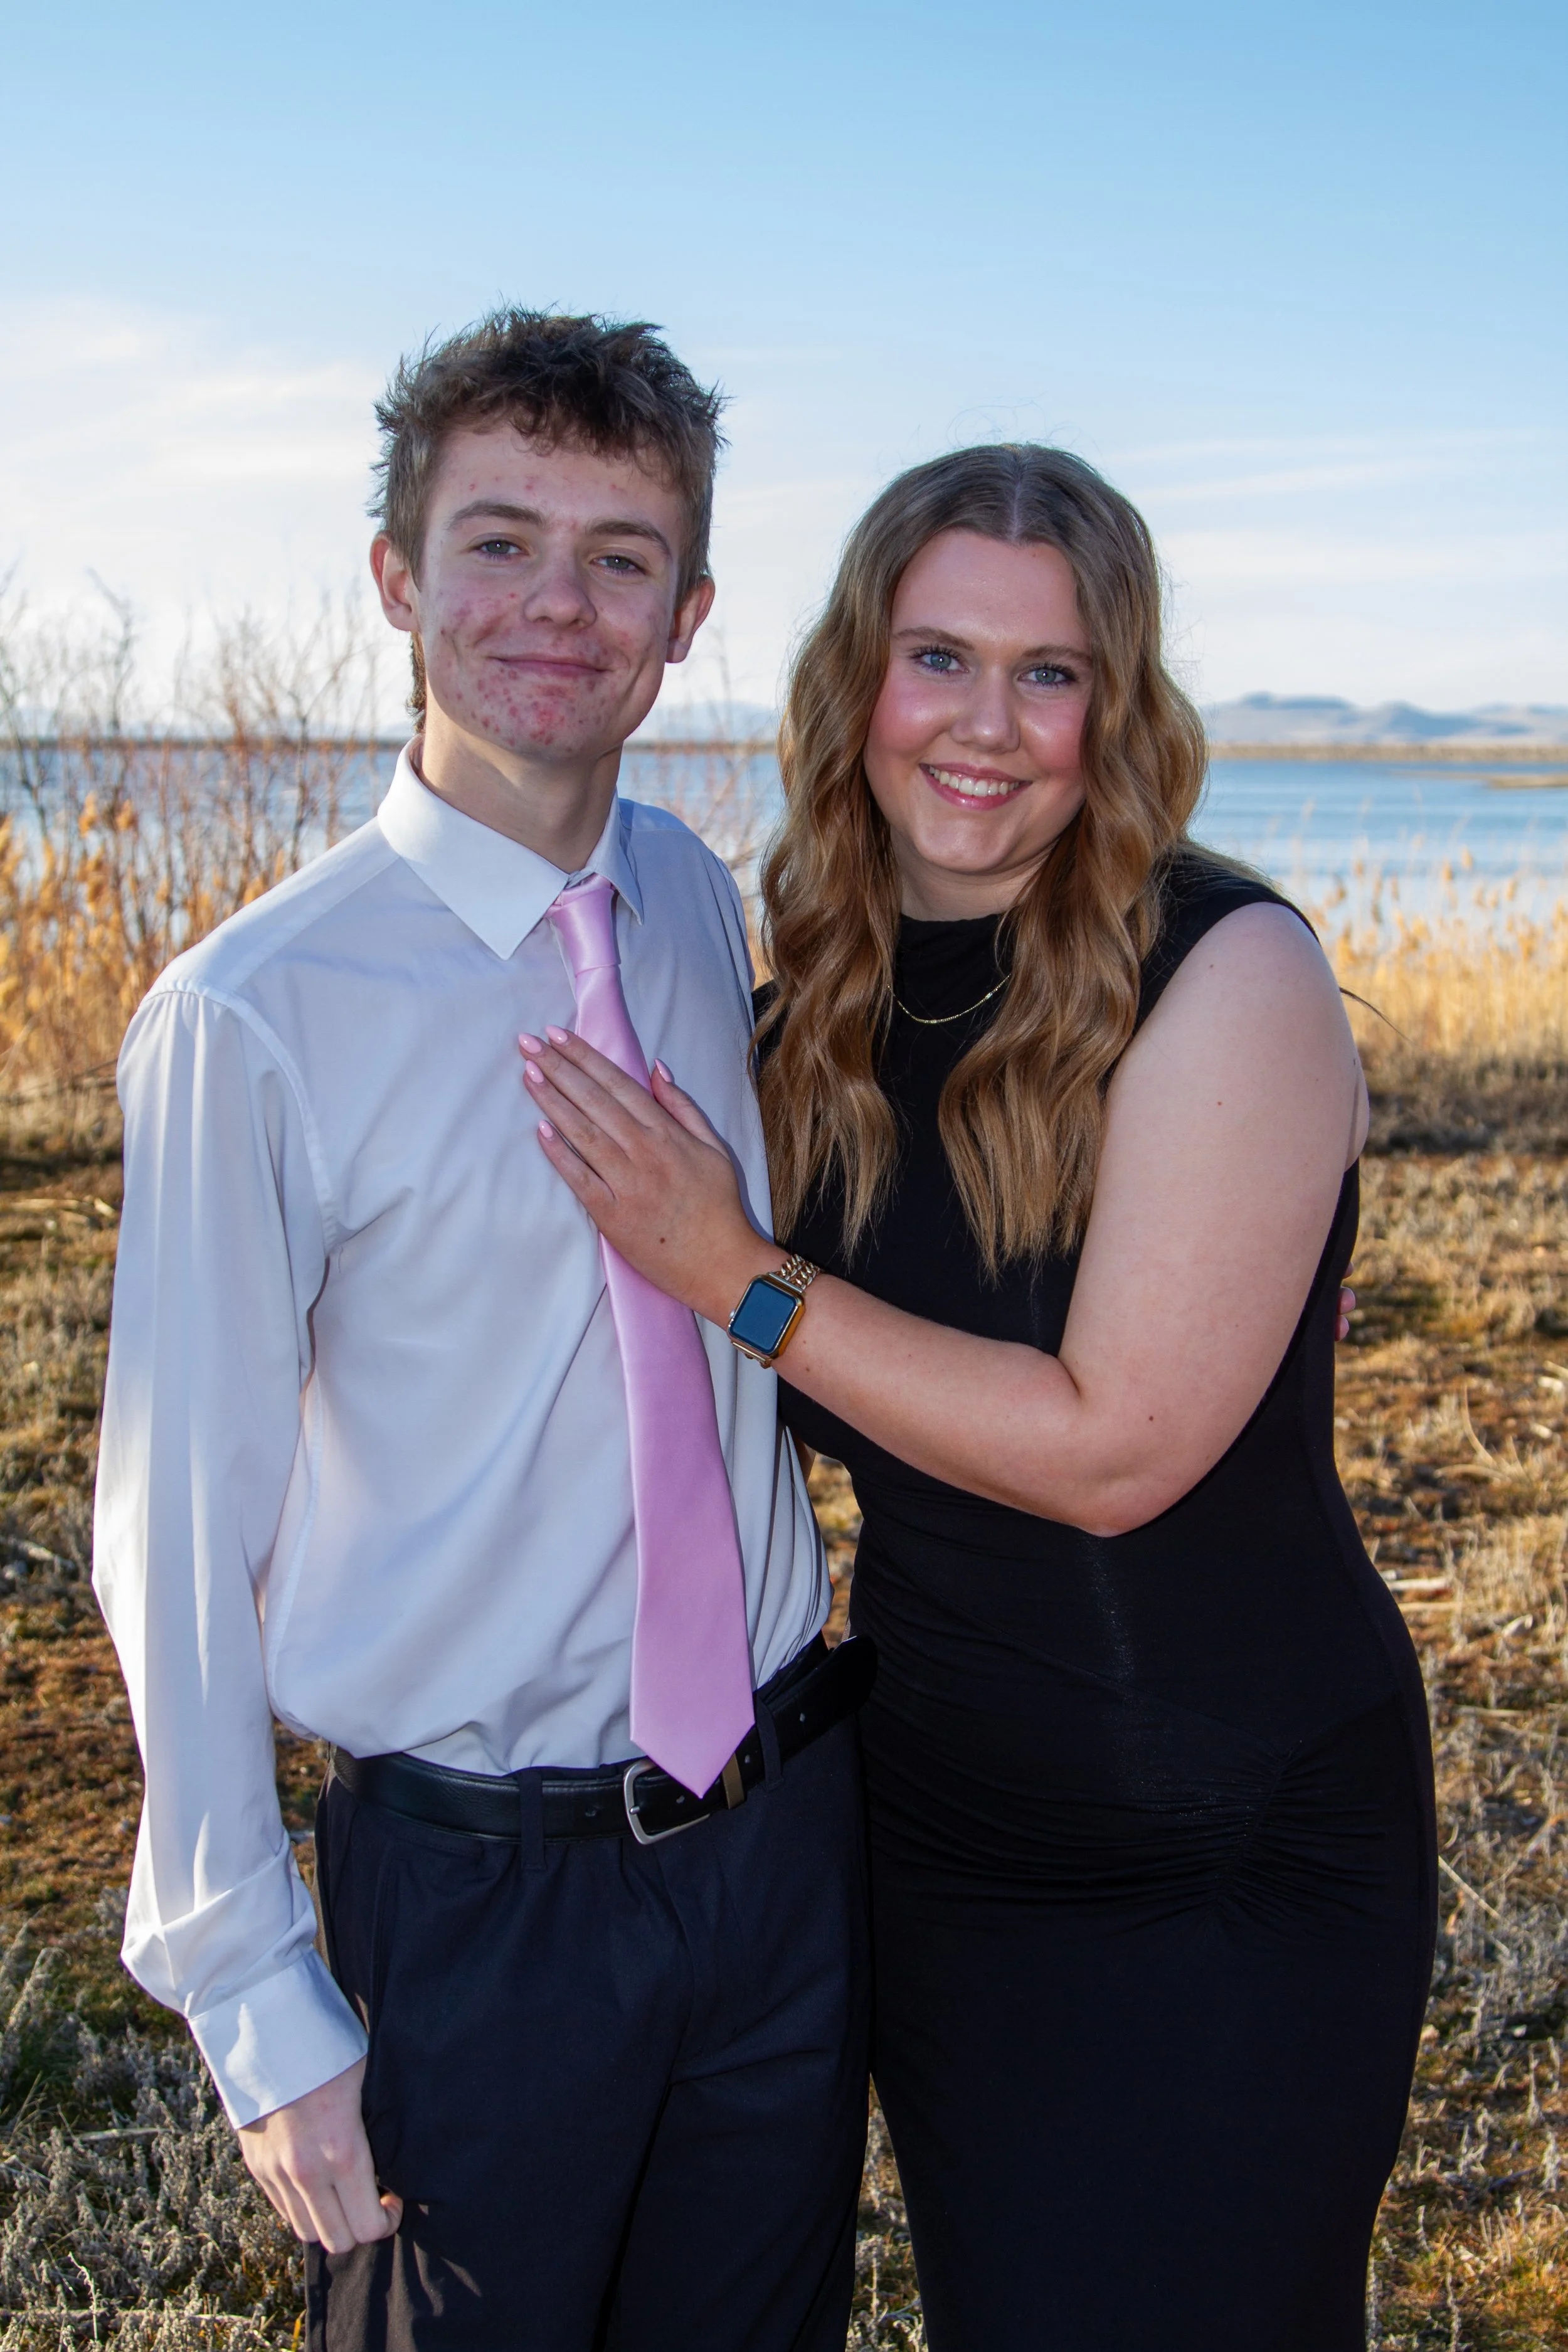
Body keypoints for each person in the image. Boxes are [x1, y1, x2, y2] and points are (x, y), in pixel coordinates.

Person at [518, 443, 1438, 2351]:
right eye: (938, 658)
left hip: (1228, 1838)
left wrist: (735, 1273)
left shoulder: (1226, 966)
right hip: (946, 1830)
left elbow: (1114, 1448)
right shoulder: (816, 1010)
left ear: (1118, 707)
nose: (988, 727)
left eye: (1049, 672)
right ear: (856, 679)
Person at [92, 309, 873, 2352]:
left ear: (686, 612)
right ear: (395, 581)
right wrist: (258, 1994)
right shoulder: (253, 1017)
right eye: (499, 538)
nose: (557, 602)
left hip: (779, 1838)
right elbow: (173, 1537)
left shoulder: (693, 902)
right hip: (479, 1900)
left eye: (620, 556)